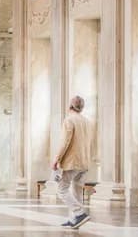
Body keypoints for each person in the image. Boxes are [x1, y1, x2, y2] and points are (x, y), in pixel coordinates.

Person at [52, 95, 92, 229]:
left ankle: (79, 213)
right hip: (84, 161)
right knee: (77, 191)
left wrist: (56, 159)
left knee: (62, 189)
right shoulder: (86, 121)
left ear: (70, 106)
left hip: (72, 161)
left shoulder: (69, 120)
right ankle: (74, 219)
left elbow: (65, 142)